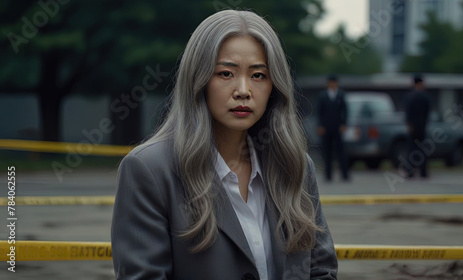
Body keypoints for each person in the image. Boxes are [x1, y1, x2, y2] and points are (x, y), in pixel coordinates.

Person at [111, 10, 338, 280]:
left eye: (258, 75)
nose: (243, 90)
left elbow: (321, 270)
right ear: (199, 79)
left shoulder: (296, 165)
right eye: (226, 73)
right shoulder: (148, 170)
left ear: (274, 86)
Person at [316, 75, 349, 181]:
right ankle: (328, 175)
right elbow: (319, 112)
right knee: (327, 151)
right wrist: (320, 126)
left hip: (338, 127)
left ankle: (345, 174)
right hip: (326, 127)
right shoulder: (322, 96)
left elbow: (345, 111)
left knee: (341, 151)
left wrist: (344, 124)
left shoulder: (341, 95)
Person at [405, 75, 431, 178]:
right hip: (422, 126)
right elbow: (427, 112)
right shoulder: (425, 96)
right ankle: (423, 172)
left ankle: (410, 171)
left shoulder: (410, 97)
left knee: (411, 149)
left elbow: (408, 112)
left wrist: (409, 124)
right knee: (422, 150)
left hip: (413, 127)